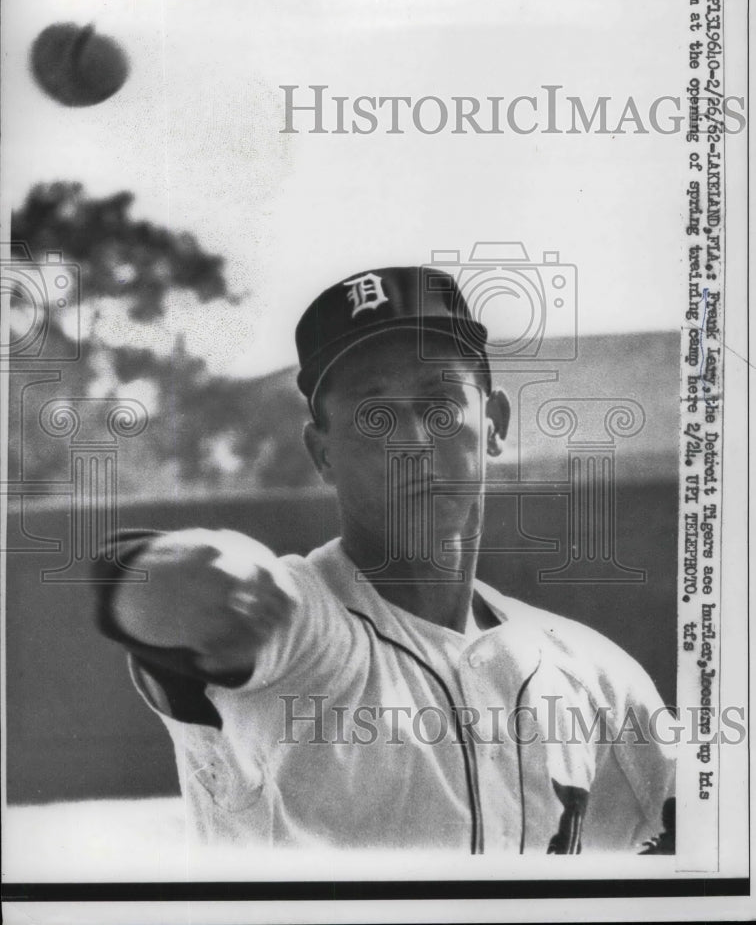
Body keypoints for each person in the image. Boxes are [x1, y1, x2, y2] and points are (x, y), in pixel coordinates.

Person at [95, 266, 675, 854]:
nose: (413, 441)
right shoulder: (303, 632)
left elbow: (709, 851)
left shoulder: (596, 675)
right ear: (323, 454)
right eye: (375, 415)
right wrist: (199, 571)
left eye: (441, 403)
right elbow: (137, 591)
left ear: (494, 424)